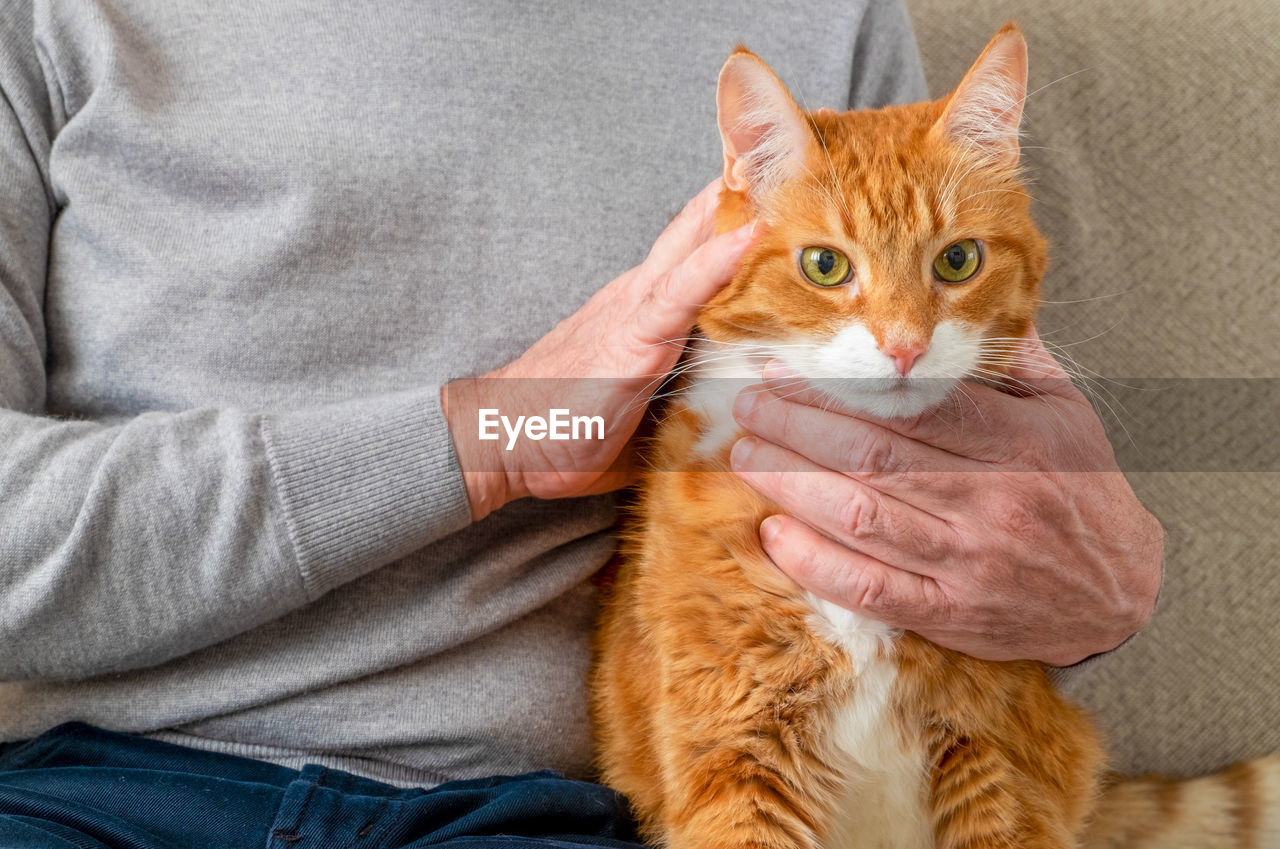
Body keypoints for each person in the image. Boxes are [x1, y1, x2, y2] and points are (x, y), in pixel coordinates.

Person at [0, 0, 1159, 845]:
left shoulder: (830, 19)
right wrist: (488, 436)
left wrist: (1082, 587)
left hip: (552, 809)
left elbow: (942, 459)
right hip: (97, 792)